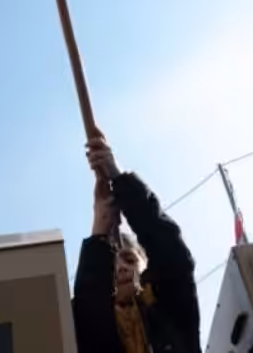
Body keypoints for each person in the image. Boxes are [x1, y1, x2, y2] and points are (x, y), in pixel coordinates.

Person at [72, 137, 201, 353]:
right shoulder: (93, 332)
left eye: (129, 259)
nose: (121, 268)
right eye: (112, 268)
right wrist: (100, 224)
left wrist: (120, 178)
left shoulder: (173, 311)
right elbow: (89, 305)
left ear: (145, 266)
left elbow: (171, 251)